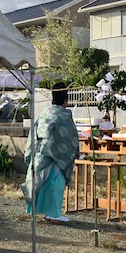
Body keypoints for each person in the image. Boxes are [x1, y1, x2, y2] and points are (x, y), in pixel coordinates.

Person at [24, 82, 79, 222]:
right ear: (66, 100)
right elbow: (70, 137)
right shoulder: (65, 115)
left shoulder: (44, 113)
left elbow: (33, 133)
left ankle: (37, 211)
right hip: (56, 156)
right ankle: (53, 213)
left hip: (39, 154)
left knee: (40, 184)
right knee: (55, 186)